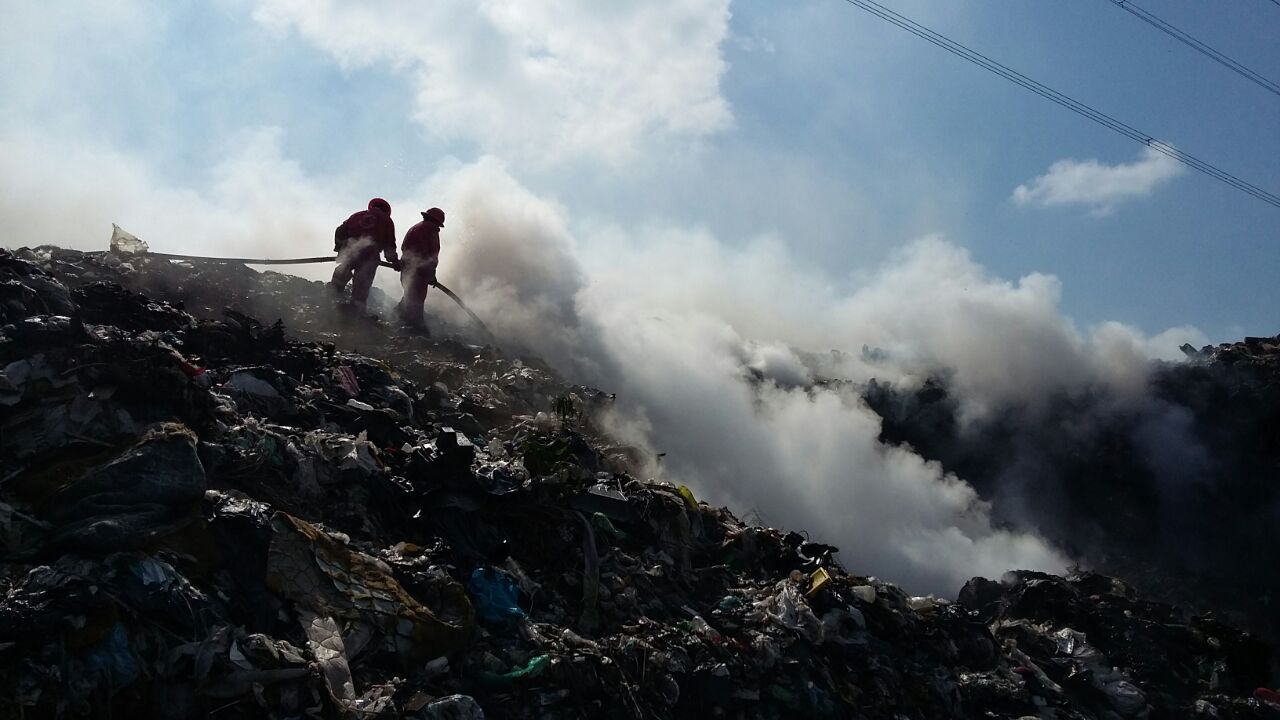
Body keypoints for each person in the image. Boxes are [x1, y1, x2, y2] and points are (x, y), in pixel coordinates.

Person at [330, 198, 400, 310]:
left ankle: (331, 297)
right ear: (386, 210)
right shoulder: (387, 220)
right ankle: (357, 310)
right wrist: (394, 261)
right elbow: (389, 244)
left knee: (343, 270)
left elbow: (340, 231)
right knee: (362, 282)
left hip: (350, 250)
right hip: (370, 254)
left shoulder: (356, 215)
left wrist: (340, 249)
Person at [397, 207, 445, 330]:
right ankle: (414, 327)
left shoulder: (415, 227)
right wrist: (431, 274)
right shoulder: (430, 231)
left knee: (410, 293)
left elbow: (405, 248)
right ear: (437, 222)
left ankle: (400, 313)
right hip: (419, 272)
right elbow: (431, 256)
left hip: (407, 268)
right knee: (416, 298)